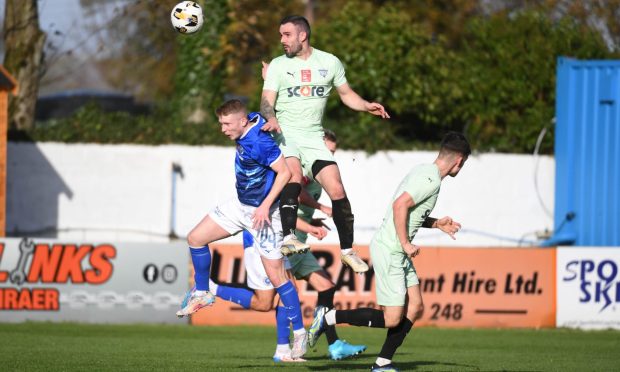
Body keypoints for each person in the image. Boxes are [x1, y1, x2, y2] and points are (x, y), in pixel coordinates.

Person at [307, 132, 471, 372]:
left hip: (397, 249)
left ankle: (382, 363)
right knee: (392, 318)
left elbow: (409, 210)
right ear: (459, 160)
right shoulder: (431, 179)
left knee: (415, 307)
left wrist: (436, 223)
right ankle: (328, 318)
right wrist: (405, 243)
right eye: (463, 163)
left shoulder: (424, 171)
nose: (462, 167)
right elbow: (399, 205)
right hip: (392, 248)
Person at [210, 130, 367, 362]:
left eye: (332, 152)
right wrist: (319, 212)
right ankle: (281, 348)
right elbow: (287, 202)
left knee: (326, 287)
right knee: (268, 301)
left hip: (298, 243)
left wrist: (310, 221)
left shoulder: (318, 174)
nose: (328, 156)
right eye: (327, 150)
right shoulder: (294, 169)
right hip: (273, 238)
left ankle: (332, 344)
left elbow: (297, 207)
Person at [175, 99, 307, 359]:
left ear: (242, 121)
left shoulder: (260, 142)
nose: (223, 129)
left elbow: (284, 173)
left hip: (265, 215)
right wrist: (269, 78)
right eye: (221, 123)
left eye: (226, 124)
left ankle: (301, 334)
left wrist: (266, 206)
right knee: (196, 238)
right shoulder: (254, 120)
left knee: (279, 278)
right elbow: (264, 105)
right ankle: (202, 292)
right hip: (241, 206)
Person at [260, 15, 390, 273]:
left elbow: (346, 94)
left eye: (286, 35)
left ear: (302, 35)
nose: (282, 40)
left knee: (337, 188)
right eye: (280, 35)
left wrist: (365, 105)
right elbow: (265, 102)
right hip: (286, 134)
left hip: (313, 137)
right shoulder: (277, 65)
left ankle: (347, 251)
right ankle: (289, 237)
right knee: (294, 175)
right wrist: (272, 118)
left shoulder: (330, 62)